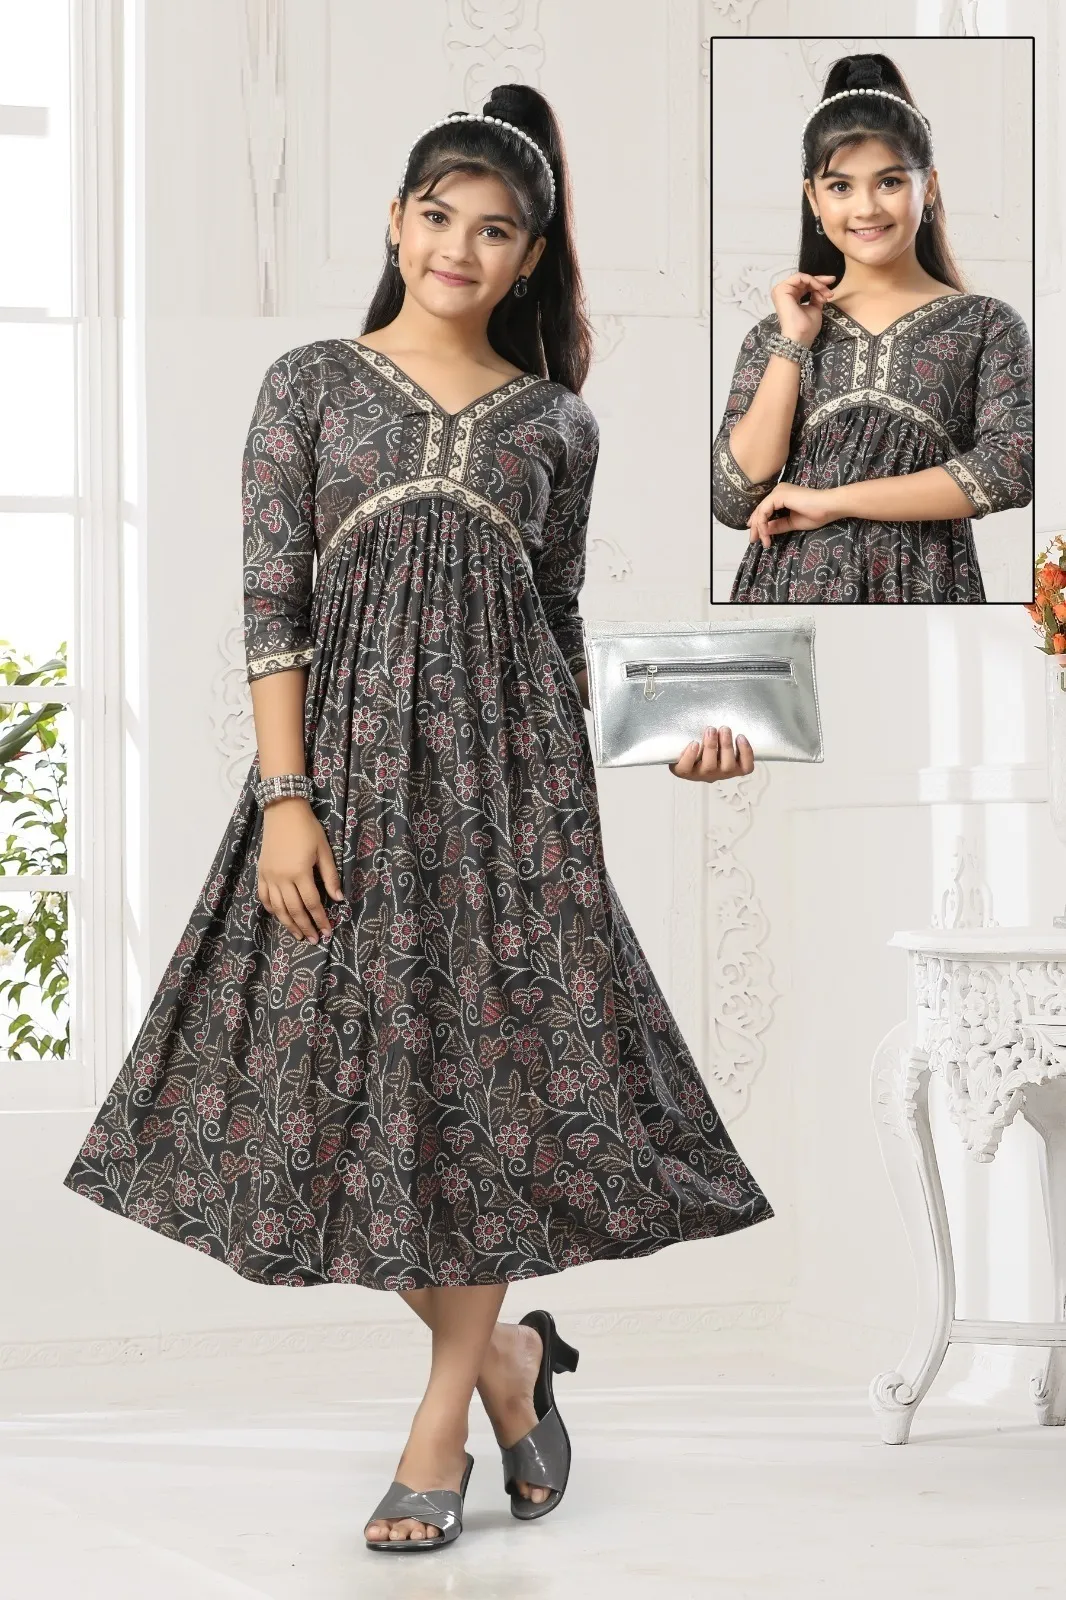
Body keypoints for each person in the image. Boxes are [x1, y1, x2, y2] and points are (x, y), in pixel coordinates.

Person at [61, 83, 773, 1553]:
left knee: (489, 1101)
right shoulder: (311, 384)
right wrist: (286, 798)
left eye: (494, 229)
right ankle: (509, 1360)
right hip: (342, 789)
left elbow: (556, 630)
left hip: (517, 808)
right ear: (395, 222)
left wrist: (676, 748)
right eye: (438, 216)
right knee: (338, 1101)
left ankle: (440, 1421)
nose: (459, 246)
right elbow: (272, 601)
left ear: (530, 256)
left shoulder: (558, 423)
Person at [712, 51, 1034, 603]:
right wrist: (793, 343)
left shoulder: (985, 324)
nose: (865, 208)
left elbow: (1010, 468)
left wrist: (833, 502)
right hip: (787, 589)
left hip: (925, 589)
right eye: (840, 187)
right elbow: (734, 496)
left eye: (888, 181)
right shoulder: (775, 333)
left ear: (929, 187)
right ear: (813, 198)